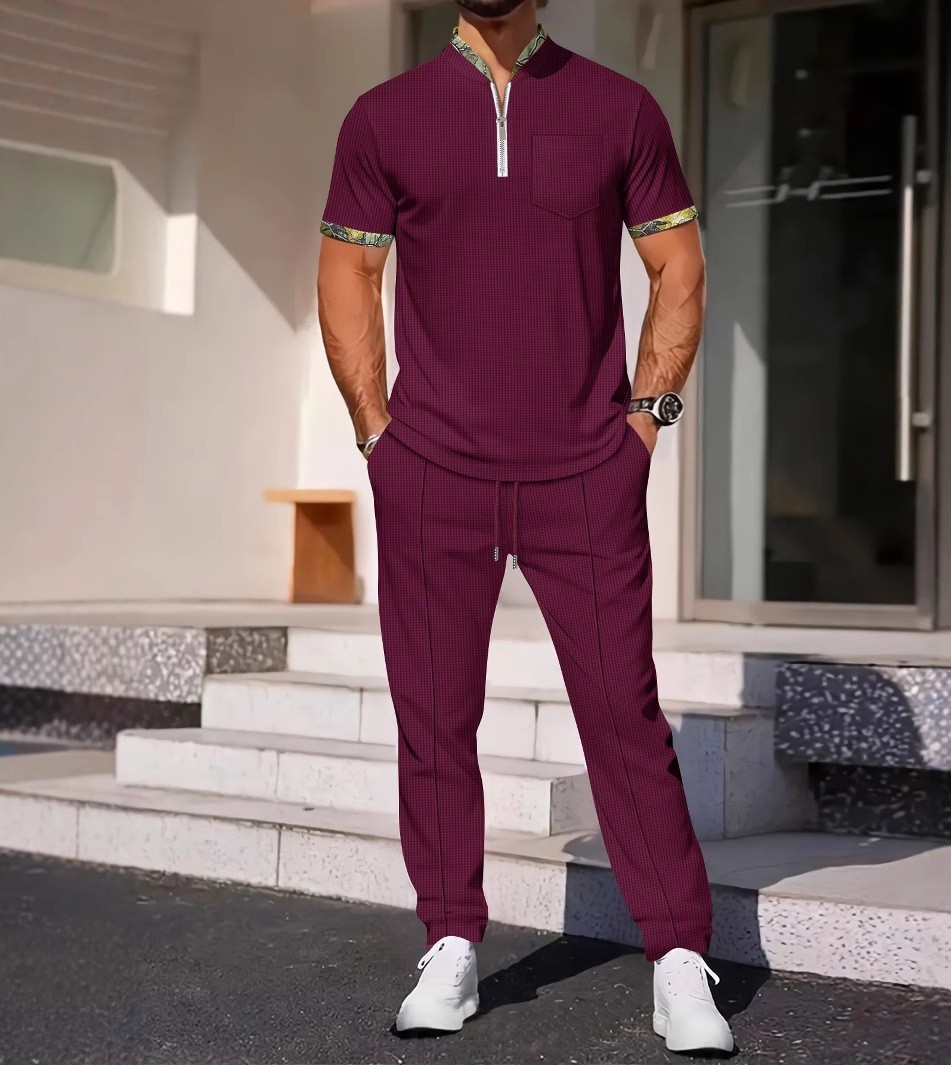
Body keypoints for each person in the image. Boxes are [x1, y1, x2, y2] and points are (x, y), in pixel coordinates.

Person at [316, 0, 733, 1054]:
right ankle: (451, 939)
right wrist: (376, 434)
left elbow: (678, 266)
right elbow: (350, 272)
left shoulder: (620, 109)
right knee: (433, 717)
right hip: (431, 471)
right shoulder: (383, 116)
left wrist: (646, 425)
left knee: (623, 714)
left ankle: (679, 956)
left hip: (585, 471)